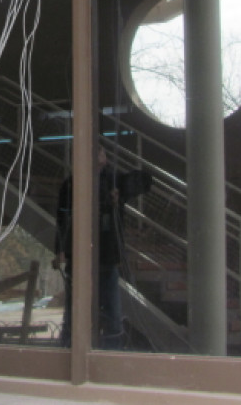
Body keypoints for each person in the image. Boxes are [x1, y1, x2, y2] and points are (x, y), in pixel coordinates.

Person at [53, 145, 153, 349]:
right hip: (80, 256)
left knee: (112, 313)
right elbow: (62, 219)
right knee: (74, 311)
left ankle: (111, 354)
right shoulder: (71, 185)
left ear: (104, 158)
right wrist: (60, 249)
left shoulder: (113, 180)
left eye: (99, 153)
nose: (97, 158)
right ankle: (68, 350)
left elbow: (143, 181)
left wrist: (120, 193)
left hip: (106, 256)